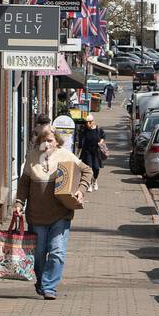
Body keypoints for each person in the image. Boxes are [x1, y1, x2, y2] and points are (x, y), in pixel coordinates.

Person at [13, 125, 92, 300]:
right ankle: (41, 281)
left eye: (50, 140)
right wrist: (19, 203)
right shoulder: (32, 157)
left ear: (57, 141)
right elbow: (24, 184)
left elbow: (87, 171)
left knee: (57, 252)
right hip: (36, 215)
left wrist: (81, 190)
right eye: (43, 140)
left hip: (60, 214)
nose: (46, 144)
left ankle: (49, 286)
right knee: (39, 253)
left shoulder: (66, 156)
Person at [78, 117, 106, 192]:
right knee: (89, 168)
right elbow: (80, 141)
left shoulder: (98, 130)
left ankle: (95, 180)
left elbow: (103, 136)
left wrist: (101, 142)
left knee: (96, 168)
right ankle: (89, 184)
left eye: (89, 122)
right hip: (87, 152)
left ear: (93, 121)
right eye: (86, 122)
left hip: (96, 152)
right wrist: (78, 153)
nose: (87, 124)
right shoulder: (84, 130)